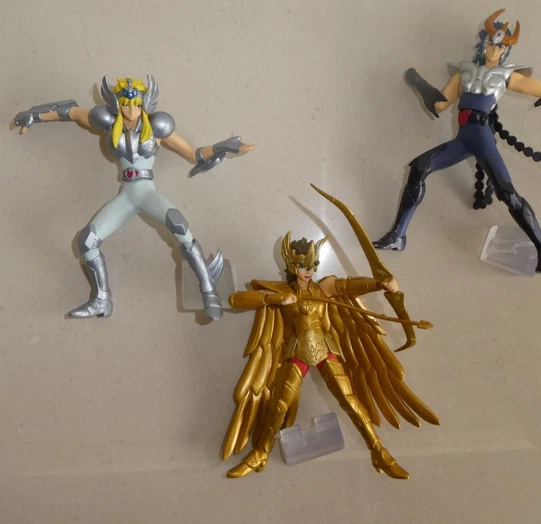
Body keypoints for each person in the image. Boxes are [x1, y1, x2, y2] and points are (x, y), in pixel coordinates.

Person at [373, 9, 541, 275]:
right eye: (493, 43)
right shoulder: (463, 73)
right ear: (484, 43)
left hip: (482, 137)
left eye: (501, 46)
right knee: (419, 167)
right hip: (463, 139)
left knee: (508, 195)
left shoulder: (507, 76)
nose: (495, 49)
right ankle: (398, 236)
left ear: (505, 51)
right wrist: (419, 83)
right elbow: (440, 104)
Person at [10, 76, 254, 319]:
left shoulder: (158, 128)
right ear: (117, 104)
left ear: (145, 103)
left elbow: (194, 154)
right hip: (127, 195)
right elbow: (72, 112)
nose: (131, 109)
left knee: (180, 227)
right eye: (126, 104)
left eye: (136, 103)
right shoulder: (107, 123)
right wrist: (34, 115)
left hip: (147, 192)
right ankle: (101, 300)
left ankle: (209, 290)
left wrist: (223, 146)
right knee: (87, 241)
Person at [222, 230, 439, 479]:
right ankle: (261, 452)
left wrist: (379, 284)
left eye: (312, 265)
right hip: (298, 352)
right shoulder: (282, 290)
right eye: (303, 265)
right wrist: (274, 298)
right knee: (279, 404)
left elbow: (348, 286)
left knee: (350, 400)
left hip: (325, 349)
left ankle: (379, 452)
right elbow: (237, 299)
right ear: (292, 265)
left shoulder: (323, 288)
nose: (309, 270)